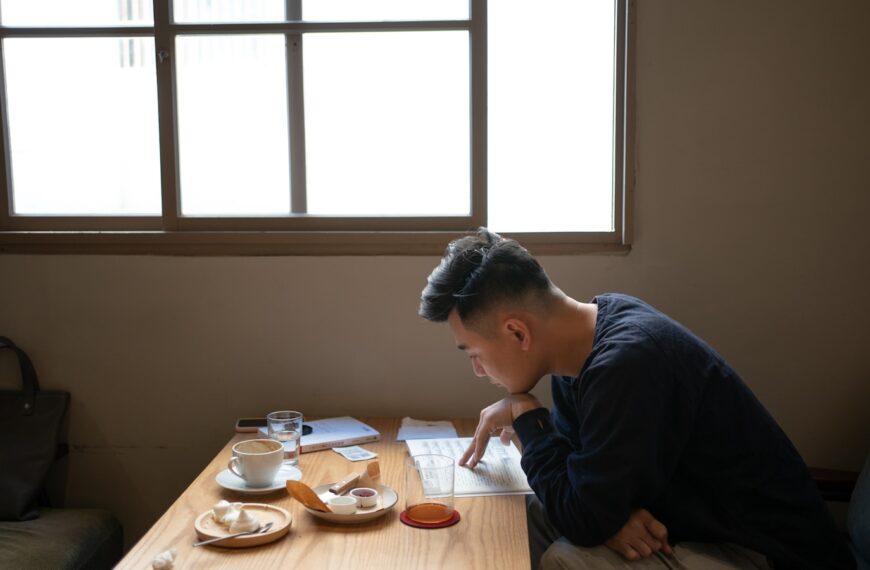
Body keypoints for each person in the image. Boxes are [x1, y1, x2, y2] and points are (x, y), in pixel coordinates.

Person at [418, 228, 854, 570]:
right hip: (687, 524)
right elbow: (580, 478)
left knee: (565, 558)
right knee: (528, 509)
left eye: (475, 354)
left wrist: (526, 415)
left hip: (763, 554)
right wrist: (605, 518)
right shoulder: (587, 337)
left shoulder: (627, 365)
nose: (477, 370)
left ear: (517, 332)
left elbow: (585, 513)